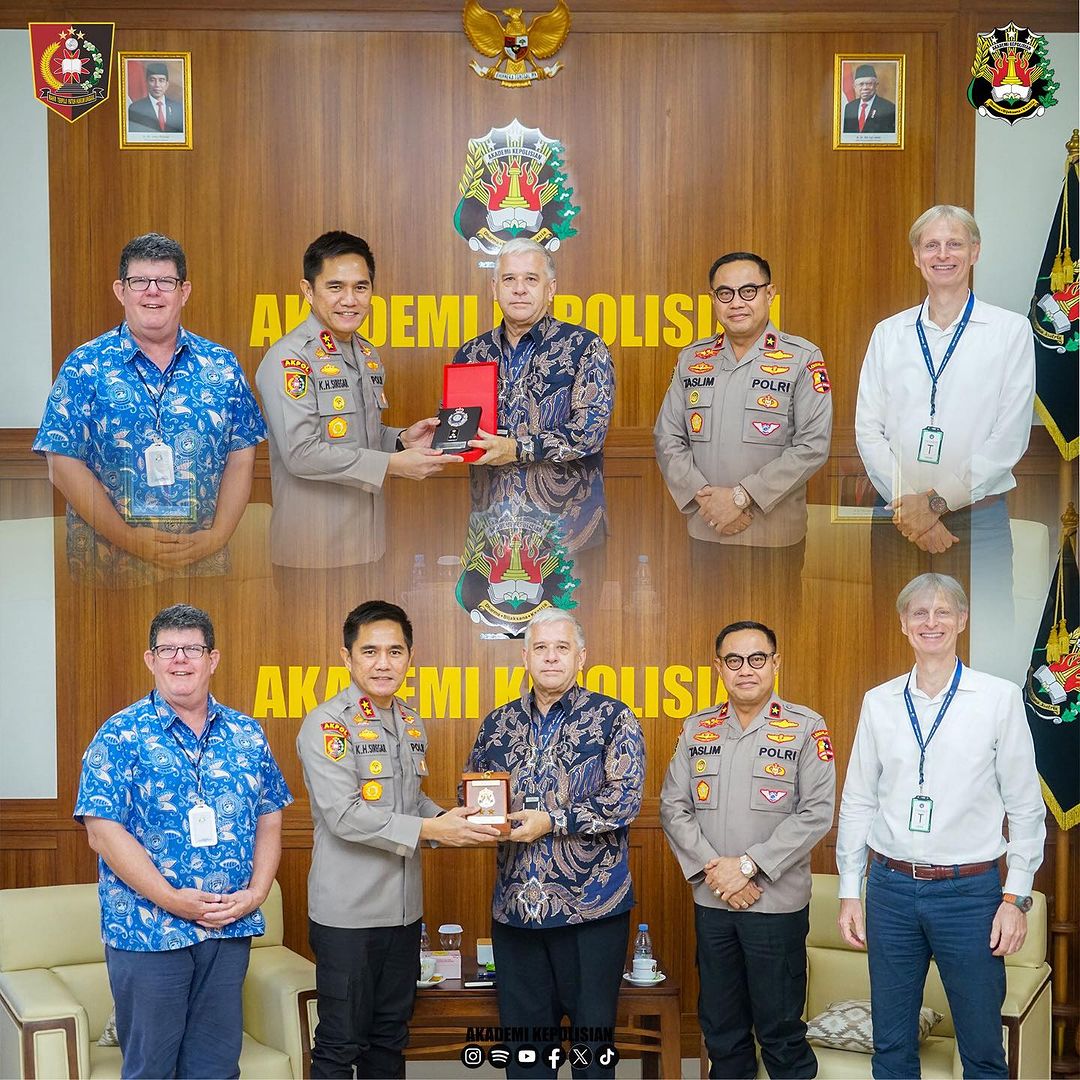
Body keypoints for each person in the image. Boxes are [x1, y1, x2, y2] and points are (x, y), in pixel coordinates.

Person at [836, 573, 1046, 1079]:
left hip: (969, 893)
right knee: (891, 1048)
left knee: (981, 1051)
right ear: (904, 625)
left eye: (943, 612)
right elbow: (858, 800)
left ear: (962, 621)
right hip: (889, 889)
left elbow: (1026, 808)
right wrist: (849, 891)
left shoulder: (997, 699)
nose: (932, 622)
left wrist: (1015, 898)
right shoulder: (879, 702)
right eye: (920, 614)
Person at [74, 604, 291, 1079]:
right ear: (150, 660)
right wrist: (174, 899)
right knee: (152, 1070)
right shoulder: (119, 735)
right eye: (167, 650)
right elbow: (102, 832)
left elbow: (270, 816)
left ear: (212, 659)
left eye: (191, 648)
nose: (180, 660)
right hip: (148, 931)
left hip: (227, 927)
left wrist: (256, 894)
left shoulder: (247, 734)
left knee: (216, 1068)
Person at [296, 600, 500, 1078]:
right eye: (370, 651)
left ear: (409, 657)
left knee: (390, 1039)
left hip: (404, 914)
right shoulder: (328, 725)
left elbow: (410, 803)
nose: (383, 663)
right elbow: (345, 815)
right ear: (347, 659)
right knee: (339, 1043)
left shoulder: (409, 721)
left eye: (395, 650)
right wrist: (433, 829)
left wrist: (458, 820)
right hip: (348, 918)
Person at [855, 205, 1036, 679]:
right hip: (898, 522)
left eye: (955, 243)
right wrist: (911, 507)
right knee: (893, 653)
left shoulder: (1009, 331)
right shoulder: (889, 333)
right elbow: (868, 430)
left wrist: (934, 502)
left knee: (989, 656)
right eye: (931, 245)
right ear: (916, 257)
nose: (943, 254)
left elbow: (1009, 439)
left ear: (974, 252)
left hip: (978, 522)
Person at [464, 608, 645, 1078]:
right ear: (524, 656)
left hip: (592, 911)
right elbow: (476, 792)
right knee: (527, 1057)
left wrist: (552, 821)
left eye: (561, 648)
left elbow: (624, 800)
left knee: (590, 1052)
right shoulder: (498, 723)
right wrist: (476, 819)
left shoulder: (613, 717)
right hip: (517, 911)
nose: (550, 658)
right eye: (540, 648)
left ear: (581, 657)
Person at [33, 232, 266, 588]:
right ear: (120, 290)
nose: (152, 291)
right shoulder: (84, 365)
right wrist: (129, 539)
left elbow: (241, 458)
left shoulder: (221, 365)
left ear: (184, 292)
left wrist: (217, 537)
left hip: (202, 566)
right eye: (139, 280)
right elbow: (61, 466)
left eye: (165, 281)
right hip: (107, 569)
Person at [661, 621, 835, 1079]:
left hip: (774, 905)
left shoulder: (805, 728)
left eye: (757, 659)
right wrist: (716, 872)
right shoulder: (698, 728)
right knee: (722, 1029)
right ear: (719, 667)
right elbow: (673, 807)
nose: (745, 670)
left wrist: (748, 867)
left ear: (775, 663)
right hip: (713, 901)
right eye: (733, 660)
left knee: (780, 1030)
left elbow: (816, 813)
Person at [256, 231, 458, 572]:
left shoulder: (367, 353)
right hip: (313, 556)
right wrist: (392, 466)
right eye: (335, 287)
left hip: (370, 548)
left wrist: (400, 439)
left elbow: (356, 435)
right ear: (308, 290)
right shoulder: (290, 358)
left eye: (360, 287)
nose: (349, 299)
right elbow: (301, 454)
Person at [653, 252, 832, 636]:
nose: (737, 302)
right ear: (713, 300)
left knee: (776, 641)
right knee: (705, 637)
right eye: (725, 293)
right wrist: (707, 498)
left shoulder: (802, 358)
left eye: (748, 290)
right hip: (708, 530)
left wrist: (739, 498)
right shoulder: (692, 359)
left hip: (773, 538)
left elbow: (812, 444)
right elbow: (667, 436)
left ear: (770, 294)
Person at [451, 238, 614, 621]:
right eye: (508, 279)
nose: (519, 289)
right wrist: (440, 438)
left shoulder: (585, 348)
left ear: (550, 289)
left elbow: (590, 431)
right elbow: (460, 430)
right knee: (495, 651)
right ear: (494, 288)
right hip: (492, 536)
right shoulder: (470, 354)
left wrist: (517, 449)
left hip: (568, 533)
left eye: (530, 279)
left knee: (570, 646)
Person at [127, 62, 183, 133]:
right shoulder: (135, 108)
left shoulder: (178, 108)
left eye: (161, 80)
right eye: (152, 80)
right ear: (146, 83)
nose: (157, 85)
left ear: (167, 84)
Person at [842, 65, 896, 133]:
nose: (865, 88)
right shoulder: (849, 107)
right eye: (861, 84)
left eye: (869, 84)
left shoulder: (888, 108)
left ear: (876, 85)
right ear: (854, 87)